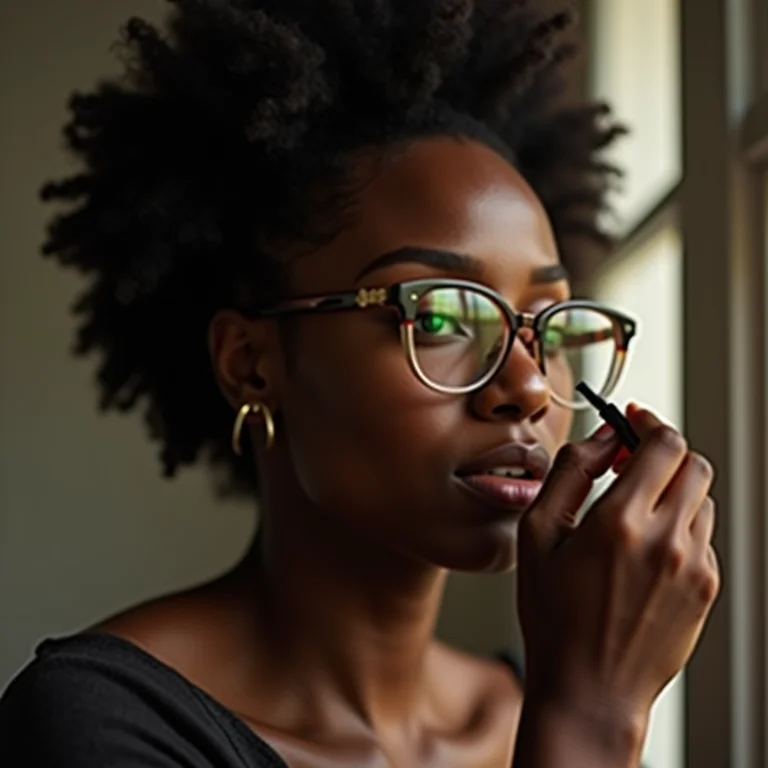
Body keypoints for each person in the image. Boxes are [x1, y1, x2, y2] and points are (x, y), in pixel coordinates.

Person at [0, 1, 720, 766]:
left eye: (547, 324)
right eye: (441, 316)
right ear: (252, 362)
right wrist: (591, 722)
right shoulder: (95, 725)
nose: (530, 388)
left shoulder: (525, 706)